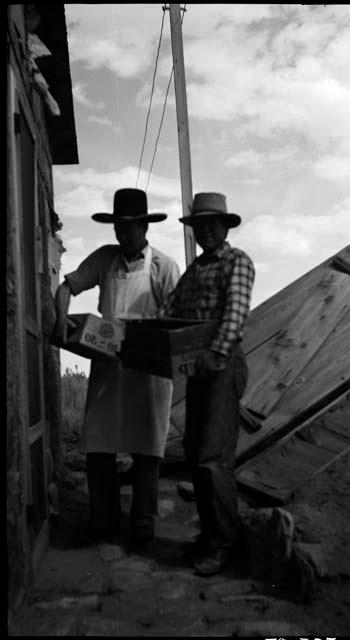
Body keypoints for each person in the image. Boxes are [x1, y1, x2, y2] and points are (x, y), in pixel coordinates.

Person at [53, 188, 180, 546]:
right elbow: (66, 288)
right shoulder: (106, 260)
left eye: (129, 228)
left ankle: (142, 523)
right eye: (118, 228)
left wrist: (149, 338)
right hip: (108, 367)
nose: (122, 235)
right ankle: (104, 520)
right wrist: (62, 320)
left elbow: (176, 322)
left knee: (146, 448)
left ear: (143, 226)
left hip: (149, 372)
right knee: (98, 442)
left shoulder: (164, 267)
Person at [160, 192, 255, 576]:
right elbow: (170, 309)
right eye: (200, 226)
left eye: (212, 224)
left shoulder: (237, 261)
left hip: (223, 363)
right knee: (196, 452)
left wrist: (214, 356)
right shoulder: (196, 270)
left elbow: (235, 315)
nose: (206, 231)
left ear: (225, 226)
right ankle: (208, 536)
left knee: (214, 458)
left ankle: (222, 544)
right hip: (199, 368)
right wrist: (145, 335)